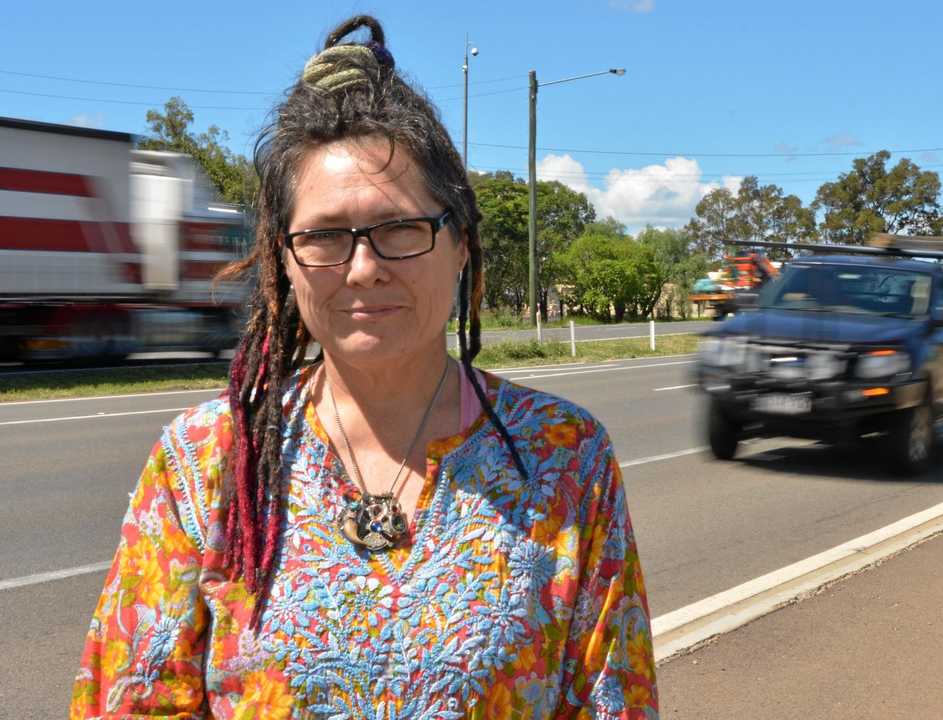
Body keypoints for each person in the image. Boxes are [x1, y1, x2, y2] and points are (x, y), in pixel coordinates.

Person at [70, 15, 659, 719]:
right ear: (284, 262)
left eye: (399, 229)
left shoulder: (564, 461)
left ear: (461, 244)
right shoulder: (204, 465)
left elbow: (610, 701)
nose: (363, 269)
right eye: (323, 237)